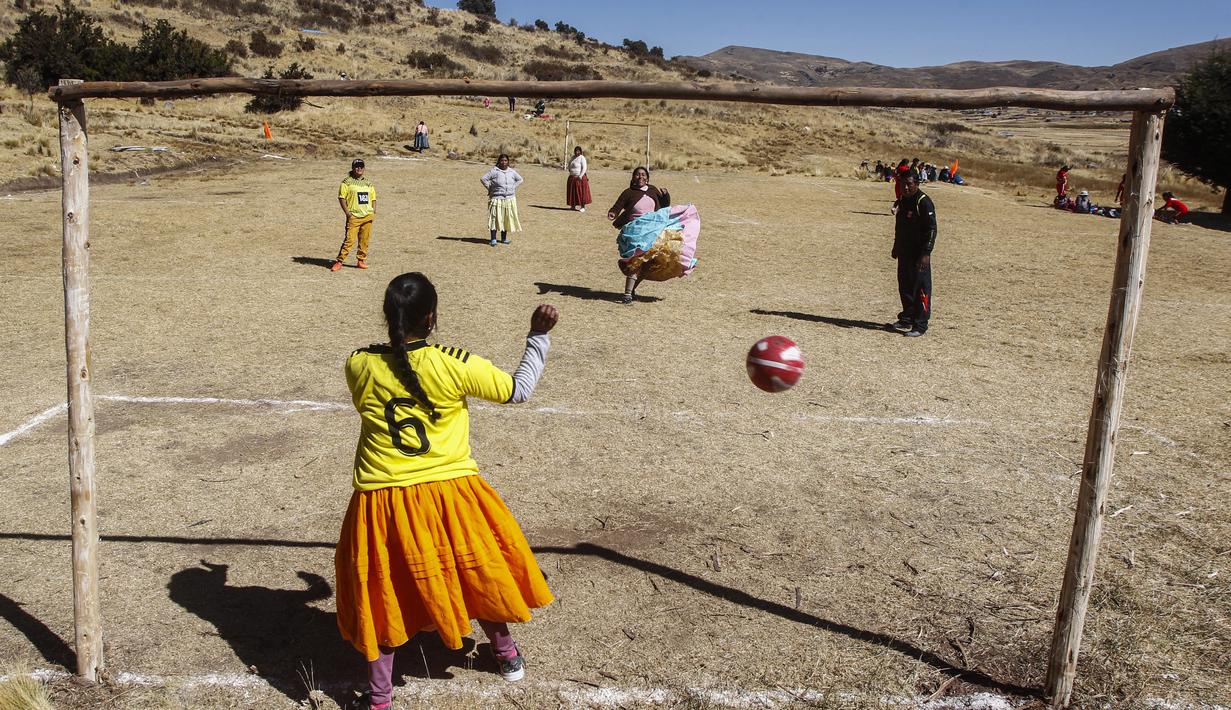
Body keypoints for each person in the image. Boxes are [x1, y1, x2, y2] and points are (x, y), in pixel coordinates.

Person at [335, 272, 558, 708]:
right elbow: (518, 390)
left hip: (383, 500)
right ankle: (507, 656)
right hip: (451, 494)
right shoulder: (454, 362)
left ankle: (380, 699)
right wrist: (537, 336)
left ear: (386, 315)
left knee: (383, 594)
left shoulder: (358, 363)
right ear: (432, 317)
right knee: (477, 571)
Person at [607, 166, 699, 305]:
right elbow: (618, 205)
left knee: (648, 263)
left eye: (643, 175)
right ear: (633, 178)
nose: (640, 177)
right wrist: (613, 213)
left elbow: (663, 207)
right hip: (636, 231)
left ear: (648, 178)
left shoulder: (652, 190)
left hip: (653, 229)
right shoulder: (628, 192)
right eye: (637, 175)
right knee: (636, 259)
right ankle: (627, 294)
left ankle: (632, 290)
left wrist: (666, 195)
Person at [890, 173, 936, 338]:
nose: (906, 187)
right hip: (905, 251)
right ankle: (907, 317)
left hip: (919, 254)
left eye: (909, 184)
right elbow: (900, 226)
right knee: (905, 286)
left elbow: (932, 229)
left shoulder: (923, 202)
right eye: (903, 184)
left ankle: (921, 324)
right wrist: (896, 245)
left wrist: (926, 253)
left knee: (921, 288)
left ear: (916, 184)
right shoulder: (903, 200)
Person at [332, 159, 375, 272]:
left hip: (367, 216)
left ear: (364, 168)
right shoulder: (346, 182)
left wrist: (373, 211)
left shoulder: (368, 183)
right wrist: (347, 213)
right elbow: (342, 198)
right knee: (349, 240)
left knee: (364, 240)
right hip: (354, 217)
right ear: (353, 168)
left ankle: (361, 260)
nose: (359, 168)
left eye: (361, 166)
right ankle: (339, 261)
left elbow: (373, 198)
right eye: (357, 166)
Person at [481, 154, 524, 246]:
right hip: (497, 199)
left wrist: (513, 187)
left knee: (505, 219)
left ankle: (503, 239)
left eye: (505, 161)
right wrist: (490, 188)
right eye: (502, 160)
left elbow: (520, 179)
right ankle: (493, 239)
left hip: (509, 199)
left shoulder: (512, 172)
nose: (503, 162)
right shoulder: (494, 171)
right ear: (499, 161)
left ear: (508, 162)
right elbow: (483, 179)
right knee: (495, 219)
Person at [566, 146, 591, 212]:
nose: (577, 152)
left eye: (578, 151)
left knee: (581, 193)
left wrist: (580, 175)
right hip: (572, 177)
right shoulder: (572, 157)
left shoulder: (582, 158)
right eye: (576, 151)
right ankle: (573, 206)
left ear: (580, 151)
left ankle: (582, 207)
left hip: (580, 178)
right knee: (573, 193)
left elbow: (584, 168)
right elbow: (569, 165)